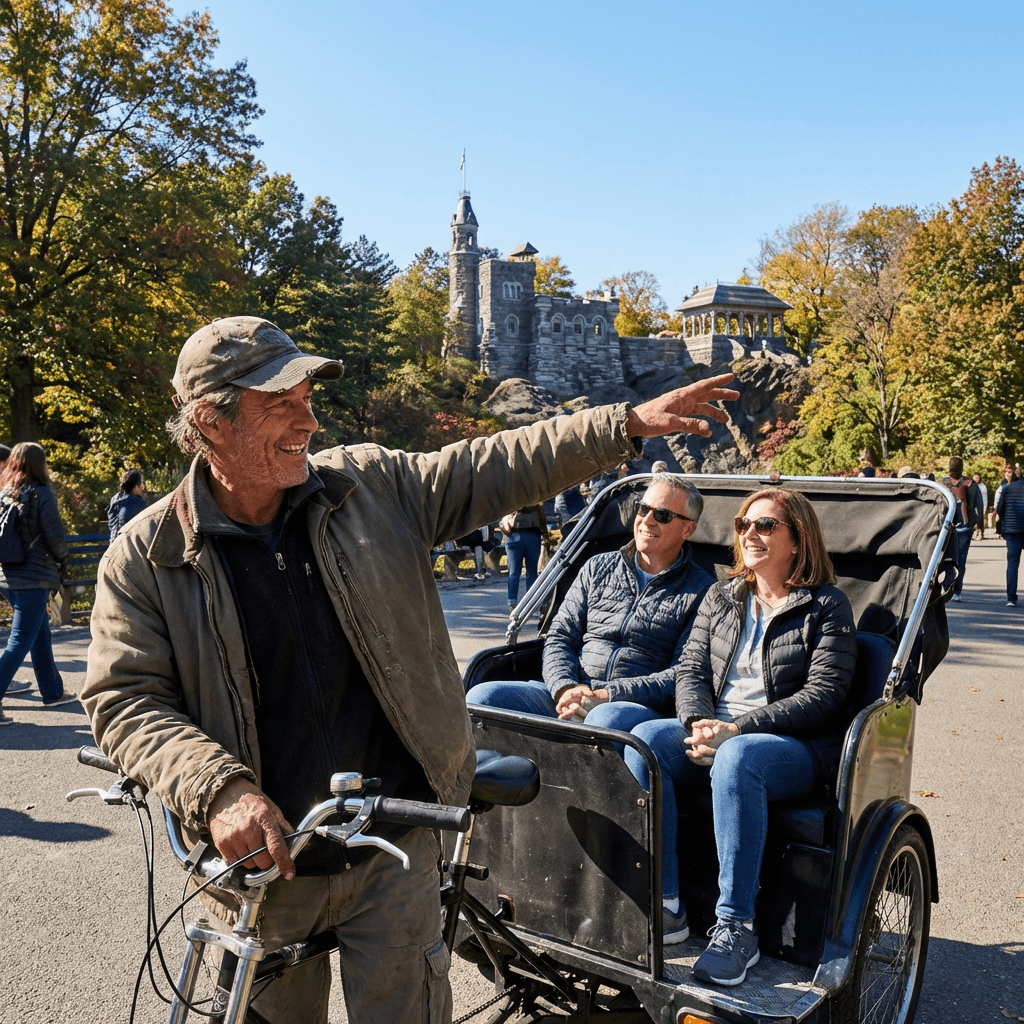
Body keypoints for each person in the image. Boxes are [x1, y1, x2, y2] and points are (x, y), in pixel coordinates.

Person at [81, 315, 739, 1024]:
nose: (310, 421)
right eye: (283, 404)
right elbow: (124, 696)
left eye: (309, 397)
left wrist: (623, 424)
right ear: (211, 422)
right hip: (265, 870)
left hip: (390, 847)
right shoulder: (145, 555)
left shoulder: (369, 486)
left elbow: (496, 464)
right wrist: (218, 789)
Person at [585, 488, 856, 985]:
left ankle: (736, 926)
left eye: (766, 526)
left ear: (798, 540)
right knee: (644, 738)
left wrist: (736, 729)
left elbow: (825, 695)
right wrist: (696, 723)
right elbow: (690, 670)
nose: (750, 534)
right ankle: (668, 903)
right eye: (743, 524)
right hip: (717, 725)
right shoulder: (723, 595)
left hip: (788, 744)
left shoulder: (827, 606)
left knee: (738, 758)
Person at [466, 476, 714, 719]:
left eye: (662, 515)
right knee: (482, 696)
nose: (647, 520)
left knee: (603, 719)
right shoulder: (597, 567)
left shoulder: (703, 591)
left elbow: (683, 673)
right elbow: (560, 636)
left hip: (633, 705)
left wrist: (608, 695)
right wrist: (565, 686)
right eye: (642, 509)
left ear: (688, 529)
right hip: (571, 690)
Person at [0, 443, 77, 721]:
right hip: (33, 576)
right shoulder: (42, 494)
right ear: (39, 464)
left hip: (8, 576)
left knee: (40, 634)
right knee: (20, 641)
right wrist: (63, 558)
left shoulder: (6, 494)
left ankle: (52, 693)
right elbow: (54, 535)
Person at [943, 457, 981, 602]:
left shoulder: (944, 483)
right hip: (965, 526)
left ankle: (949, 587)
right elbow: (979, 506)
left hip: (948, 525)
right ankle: (956, 590)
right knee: (961, 559)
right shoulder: (970, 484)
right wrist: (978, 525)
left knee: (948, 557)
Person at [500, 503, 548, 610]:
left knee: (514, 572)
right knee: (532, 572)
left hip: (514, 536)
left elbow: (502, 522)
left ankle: (512, 602)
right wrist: (545, 535)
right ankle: (531, 601)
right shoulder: (536, 500)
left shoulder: (510, 499)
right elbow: (542, 520)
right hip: (532, 536)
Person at [995, 463, 1024, 607]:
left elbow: (1000, 508)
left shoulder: (1008, 488)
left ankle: (1011, 598)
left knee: (1012, 564)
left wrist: (1006, 521)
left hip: (1012, 530)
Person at [106, 468, 148, 541]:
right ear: (135, 486)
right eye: (141, 485)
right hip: (128, 547)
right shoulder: (138, 502)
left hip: (112, 547)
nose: (143, 488)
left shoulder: (115, 499)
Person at [972, 473, 989, 540]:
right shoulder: (971, 486)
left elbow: (985, 499)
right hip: (973, 507)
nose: (976, 479)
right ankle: (974, 533)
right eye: (975, 477)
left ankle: (980, 533)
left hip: (980, 507)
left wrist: (984, 508)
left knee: (980, 521)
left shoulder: (983, 487)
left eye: (977, 478)